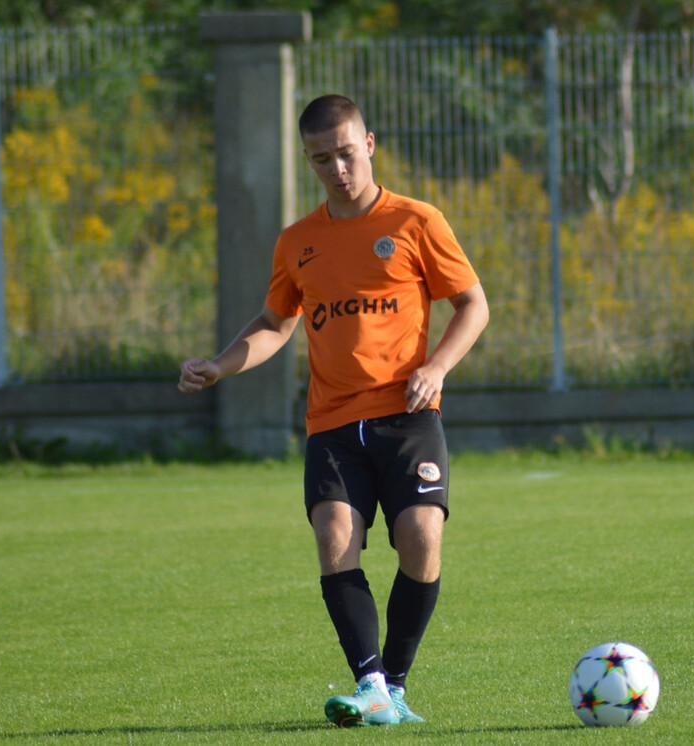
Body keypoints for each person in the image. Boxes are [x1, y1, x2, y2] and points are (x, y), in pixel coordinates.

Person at [177, 94, 489, 727]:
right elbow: (274, 322)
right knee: (333, 539)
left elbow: (473, 304)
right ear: (309, 160)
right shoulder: (298, 242)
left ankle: (394, 686)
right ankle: (372, 683)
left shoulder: (416, 222)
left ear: (369, 143)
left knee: (422, 540)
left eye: (346, 154)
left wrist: (436, 368)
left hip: (407, 415)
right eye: (322, 160)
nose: (338, 169)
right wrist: (220, 364)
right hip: (333, 423)